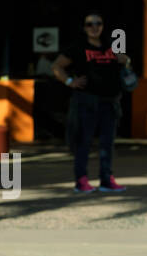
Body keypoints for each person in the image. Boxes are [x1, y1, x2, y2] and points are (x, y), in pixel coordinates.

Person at [53, 11, 129, 193]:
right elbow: (56, 66)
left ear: (103, 26)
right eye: (90, 24)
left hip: (110, 102)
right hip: (87, 102)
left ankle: (106, 179)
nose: (94, 27)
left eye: (98, 23)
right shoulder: (78, 47)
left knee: (107, 143)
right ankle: (81, 180)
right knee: (83, 142)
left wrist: (126, 60)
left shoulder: (111, 46)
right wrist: (70, 81)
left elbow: (125, 64)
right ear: (84, 27)